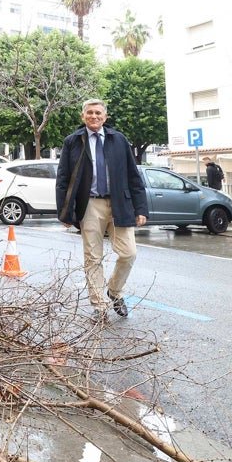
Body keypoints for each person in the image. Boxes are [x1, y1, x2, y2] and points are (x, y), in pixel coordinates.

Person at [56, 99, 149, 322]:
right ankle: (99, 306)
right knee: (92, 257)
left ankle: (114, 292)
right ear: (83, 116)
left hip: (120, 203)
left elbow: (133, 176)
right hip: (89, 205)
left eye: (98, 113)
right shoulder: (73, 142)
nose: (94, 116)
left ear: (105, 117)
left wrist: (140, 208)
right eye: (90, 113)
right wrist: (65, 213)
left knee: (129, 253)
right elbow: (63, 178)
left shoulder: (119, 140)